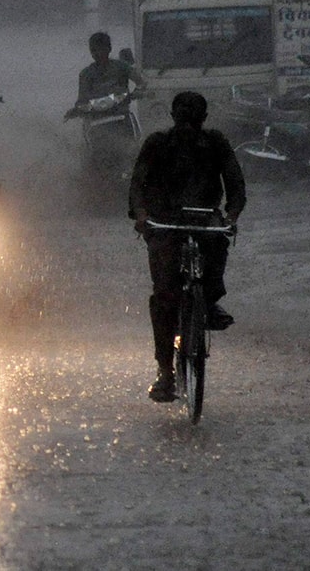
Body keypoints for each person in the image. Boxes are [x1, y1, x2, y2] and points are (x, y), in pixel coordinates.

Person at [128, 91, 246, 403]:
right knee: (165, 297)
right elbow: (137, 186)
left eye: (193, 118)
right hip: (165, 223)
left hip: (205, 220)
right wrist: (142, 216)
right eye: (184, 117)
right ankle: (165, 372)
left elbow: (235, 185)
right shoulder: (157, 144)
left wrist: (231, 216)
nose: (188, 125)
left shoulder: (216, 143)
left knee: (215, 255)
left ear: (204, 120)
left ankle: (208, 303)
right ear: (173, 117)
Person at [71, 31, 145, 114]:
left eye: (102, 49)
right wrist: (78, 109)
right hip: (95, 119)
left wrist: (136, 93)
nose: (98, 54)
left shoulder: (122, 67)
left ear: (109, 49)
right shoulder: (86, 74)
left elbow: (140, 82)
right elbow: (81, 100)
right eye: (94, 50)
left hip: (122, 115)